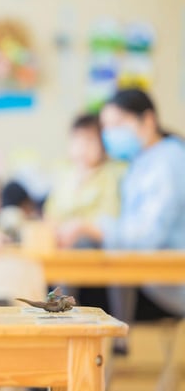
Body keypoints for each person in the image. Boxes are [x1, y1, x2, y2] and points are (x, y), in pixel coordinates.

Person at [56, 88, 185, 324]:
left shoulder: (168, 162)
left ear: (148, 120)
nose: (110, 134)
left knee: (68, 295)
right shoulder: (141, 161)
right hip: (144, 276)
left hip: (164, 287)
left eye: (118, 124)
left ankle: (107, 345)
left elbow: (148, 236)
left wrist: (93, 228)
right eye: (106, 126)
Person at [45, 113, 126, 248]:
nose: (82, 147)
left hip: (92, 245)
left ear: (103, 145)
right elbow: (50, 214)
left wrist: (80, 227)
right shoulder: (64, 175)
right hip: (60, 243)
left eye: (89, 140)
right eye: (77, 139)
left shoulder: (110, 175)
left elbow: (109, 219)